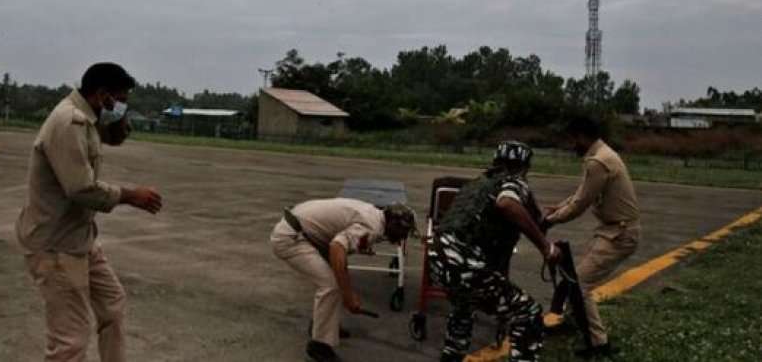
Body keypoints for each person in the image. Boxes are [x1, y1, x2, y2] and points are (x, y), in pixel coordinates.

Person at [15, 62, 163, 362]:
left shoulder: (88, 116)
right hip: (55, 245)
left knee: (113, 305)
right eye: (121, 99)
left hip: (80, 239)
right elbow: (80, 188)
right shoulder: (69, 122)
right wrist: (131, 195)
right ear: (103, 94)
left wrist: (119, 117)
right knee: (70, 341)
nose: (123, 105)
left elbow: (115, 137)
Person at [429, 141, 559, 362]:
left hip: (438, 257)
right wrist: (546, 247)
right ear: (525, 166)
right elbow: (507, 204)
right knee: (528, 313)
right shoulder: (513, 181)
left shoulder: (479, 182)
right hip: (464, 261)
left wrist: (543, 221)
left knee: (463, 308)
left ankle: (451, 357)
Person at [270, 198, 417, 362]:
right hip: (291, 238)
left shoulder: (374, 214)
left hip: (303, 230)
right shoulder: (372, 227)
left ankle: (325, 326)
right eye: (403, 233)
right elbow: (337, 248)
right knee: (330, 285)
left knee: (339, 277)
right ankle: (319, 347)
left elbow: (339, 254)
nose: (402, 238)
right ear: (394, 226)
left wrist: (346, 287)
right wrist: (348, 296)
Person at [544, 115, 641, 359]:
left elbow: (579, 205)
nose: (570, 145)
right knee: (575, 277)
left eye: (572, 140)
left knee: (581, 285)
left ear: (582, 137)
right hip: (613, 231)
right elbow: (580, 195)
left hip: (619, 234)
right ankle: (573, 320)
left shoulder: (599, 161)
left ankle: (599, 344)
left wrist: (549, 221)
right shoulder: (601, 155)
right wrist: (558, 209)